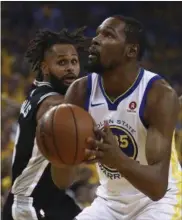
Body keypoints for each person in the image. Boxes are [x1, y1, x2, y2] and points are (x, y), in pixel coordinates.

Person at [57, 15, 181, 220]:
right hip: (109, 202)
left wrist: (118, 160)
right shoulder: (79, 92)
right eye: (97, 33)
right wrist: (58, 153)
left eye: (108, 35)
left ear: (131, 50)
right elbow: (63, 181)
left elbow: (157, 188)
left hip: (159, 203)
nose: (95, 40)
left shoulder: (157, 95)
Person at [2, 27, 89, 220]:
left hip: (50, 199)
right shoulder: (54, 105)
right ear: (45, 68)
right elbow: (66, 178)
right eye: (62, 62)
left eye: (74, 61)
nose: (70, 68)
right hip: (30, 205)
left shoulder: (37, 92)